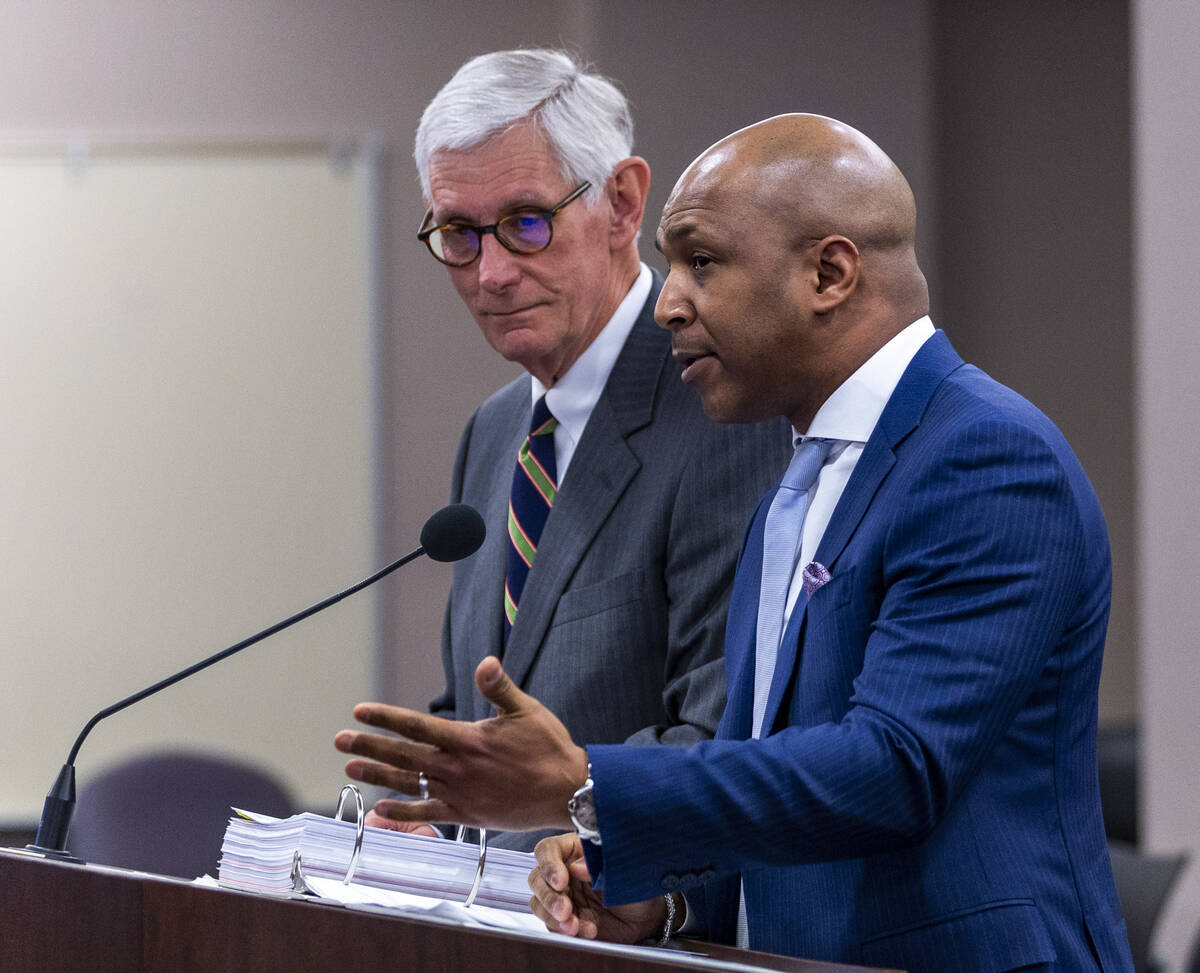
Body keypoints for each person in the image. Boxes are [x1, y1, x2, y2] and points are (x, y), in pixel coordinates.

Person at [337, 113, 1134, 972]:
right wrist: (663, 897)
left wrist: (587, 781)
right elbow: (766, 775)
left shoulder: (985, 456)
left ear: (830, 272)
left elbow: (893, 768)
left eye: (702, 262)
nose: (669, 300)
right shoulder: (795, 481)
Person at [382, 50, 790, 851]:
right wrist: (416, 816)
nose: (492, 273)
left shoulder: (723, 409)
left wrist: (567, 818)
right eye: (459, 234)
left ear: (623, 203)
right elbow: (482, 714)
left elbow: (723, 735)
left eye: (526, 222)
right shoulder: (495, 431)